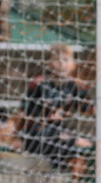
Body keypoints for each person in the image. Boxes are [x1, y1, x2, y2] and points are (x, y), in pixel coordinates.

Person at [22, 43, 93, 172]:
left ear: (73, 64)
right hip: (38, 137)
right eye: (56, 59)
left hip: (61, 138)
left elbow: (89, 107)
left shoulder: (75, 86)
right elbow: (29, 118)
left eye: (66, 59)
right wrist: (71, 139)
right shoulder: (39, 84)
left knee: (85, 151)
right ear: (48, 64)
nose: (61, 64)